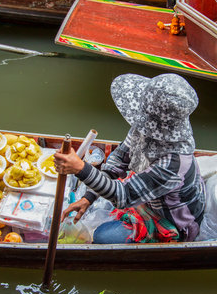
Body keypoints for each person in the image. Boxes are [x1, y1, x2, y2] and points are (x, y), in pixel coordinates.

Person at [54, 73, 206, 243]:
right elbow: (118, 159)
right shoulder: (142, 129)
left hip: (170, 219)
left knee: (103, 236)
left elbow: (123, 196)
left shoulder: (174, 163)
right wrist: (89, 197)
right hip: (150, 197)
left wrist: (81, 169)